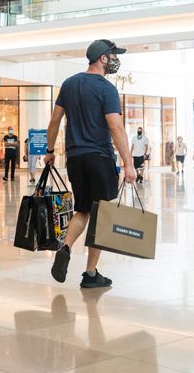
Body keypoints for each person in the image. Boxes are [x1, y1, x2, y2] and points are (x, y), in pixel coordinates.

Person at [44, 39, 135, 289]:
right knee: (102, 215)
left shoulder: (69, 84)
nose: (115, 59)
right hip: (100, 158)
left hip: (75, 158)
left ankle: (65, 247)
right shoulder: (106, 89)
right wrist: (129, 164)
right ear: (103, 58)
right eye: (113, 55)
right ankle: (91, 274)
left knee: (83, 209)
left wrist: (50, 150)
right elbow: (115, 127)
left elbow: (55, 121)